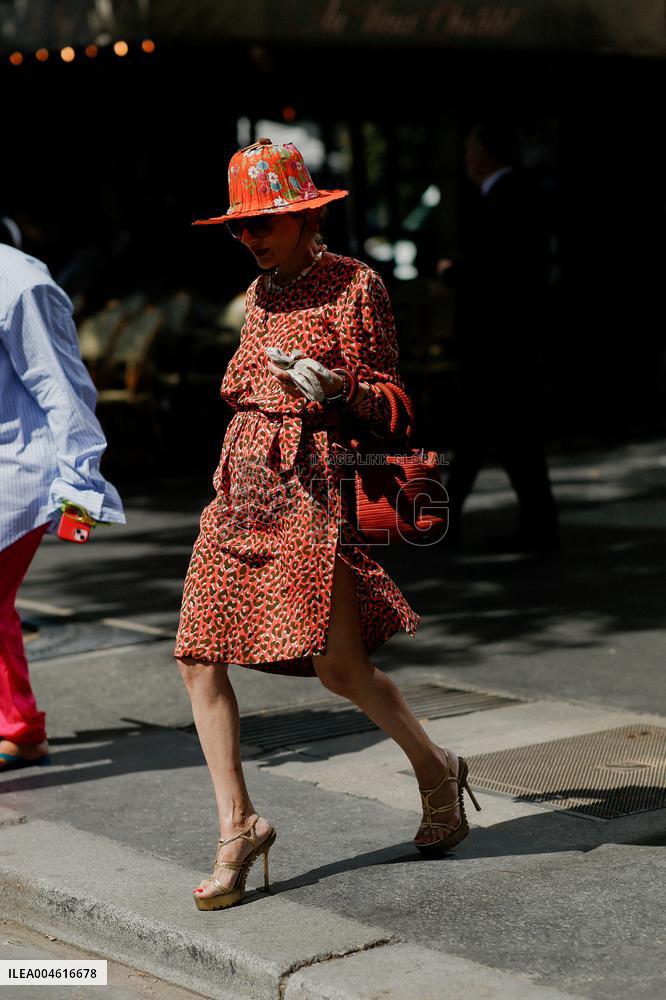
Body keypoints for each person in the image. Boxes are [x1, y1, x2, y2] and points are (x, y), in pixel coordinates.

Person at [175, 138, 481, 912]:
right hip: (242, 486)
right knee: (196, 655)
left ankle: (437, 768)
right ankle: (238, 825)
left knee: (338, 668)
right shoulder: (259, 291)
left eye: (265, 223)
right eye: (241, 228)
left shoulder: (356, 285)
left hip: (314, 489)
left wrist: (341, 386)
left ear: (307, 215)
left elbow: (397, 407)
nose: (252, 238)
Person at [0, 230, 125, 771]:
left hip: (20, 474)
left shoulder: (20, 283)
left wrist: (80, 489)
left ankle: (21, 727)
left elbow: (64, 388)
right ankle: (19, 727)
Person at [437, 121, 561, 552]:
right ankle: (534, 521)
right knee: (502, 434)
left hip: (498, 342)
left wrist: (455, 273)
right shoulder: (513, 196)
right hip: (507, 342)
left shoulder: (506, 199)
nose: (466, 159)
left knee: (492, 433)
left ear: (486, 154)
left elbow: (499, 271)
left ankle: (450, 519)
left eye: (471, 150)